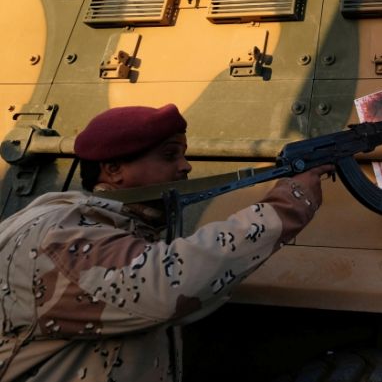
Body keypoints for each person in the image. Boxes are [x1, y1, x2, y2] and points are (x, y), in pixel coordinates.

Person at [0, 104, 331, 382]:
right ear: (113, 170)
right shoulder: (61, 233)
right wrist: (290, 202)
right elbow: (171, 284)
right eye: (170, 155)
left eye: (183, 155)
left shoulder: (114, 229)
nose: (186, 166)